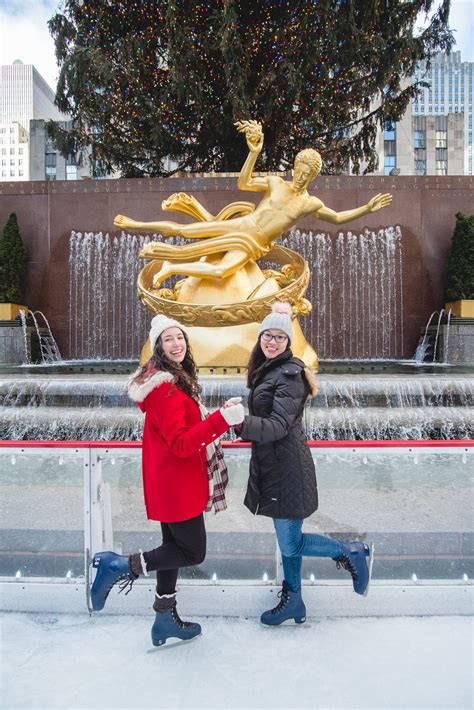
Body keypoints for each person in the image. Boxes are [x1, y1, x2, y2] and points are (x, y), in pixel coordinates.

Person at [90, 314, 244, 646]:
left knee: (172, 550)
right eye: (168, 339)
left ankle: (164, 619)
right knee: (193, 552)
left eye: (180, 338)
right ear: (158, 346)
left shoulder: (175, 380)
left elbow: (187, 425)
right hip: (178, 484)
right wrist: (222, 420)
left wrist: (219, 412)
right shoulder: (165, 388)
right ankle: (120, 566)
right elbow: (182, 443)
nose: (176, 344)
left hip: (172, 480)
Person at [113, 120, 392, 288]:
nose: (301, 175)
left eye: (308, 173)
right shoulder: (275, 183)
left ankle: (172, 267)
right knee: (186, 231)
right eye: (299, 169)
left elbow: (338, 218)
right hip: (243, 225)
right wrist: (253, 152)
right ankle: (137, 224)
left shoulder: (310, 203)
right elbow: (244, 183)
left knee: (222, 271)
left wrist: (367, 208)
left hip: (255, 244)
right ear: (294, 167)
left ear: (314, 176)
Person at [237, 302, 372, 625]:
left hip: (286, 468)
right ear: (259, 339)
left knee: (292, 540)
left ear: (288, 341)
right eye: (267, 336)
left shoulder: (290, 374)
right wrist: (240, 417)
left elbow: (278, 426)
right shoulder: (268, 369)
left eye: (279, 337)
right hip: (273, 464)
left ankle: (349, 552)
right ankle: (294, 599)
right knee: (288, 539)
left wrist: (240, 422)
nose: (272, 342)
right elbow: (267, 418)